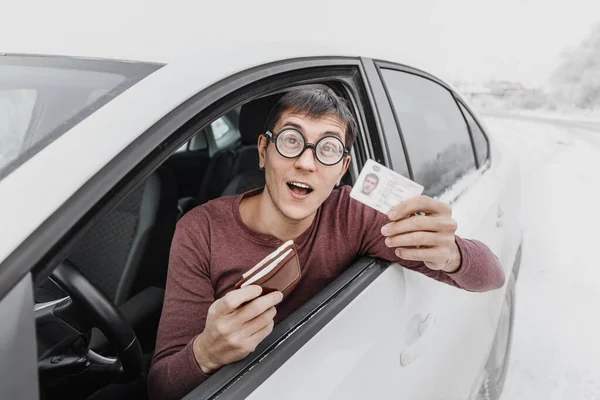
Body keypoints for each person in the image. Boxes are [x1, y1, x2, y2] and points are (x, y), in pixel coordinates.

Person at [147, 89, 505, 400]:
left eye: (328, 149)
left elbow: (491, 276)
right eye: (291, 140)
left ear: (342, 169)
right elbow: (161, 388)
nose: (306, 162)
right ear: (262, 151)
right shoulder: (200, 229)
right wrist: (207, 352)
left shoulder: (355, 215)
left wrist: (452, 254)